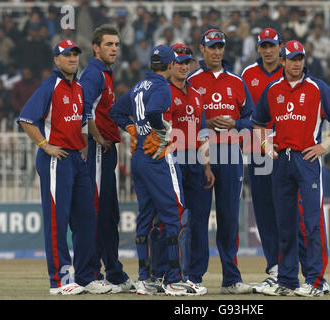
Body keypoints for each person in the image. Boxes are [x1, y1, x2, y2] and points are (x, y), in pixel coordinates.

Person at [252, 40, 330, 297]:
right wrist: (265, 145)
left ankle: (316, 281)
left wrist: (326, 145)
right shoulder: (272, 89)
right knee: (284, 223)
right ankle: (287, 280)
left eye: (300, 58)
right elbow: (258, 122)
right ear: (283, 61)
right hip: (281, 161)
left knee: (312, 222)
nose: (297, 63)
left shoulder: (318, 87)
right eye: (292, 59)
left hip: (307, 159)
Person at [109, 44, 207, 296]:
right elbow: (154, 112)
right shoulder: (162, 86)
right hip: (161, 156)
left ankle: (145, 278)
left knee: (146, 217)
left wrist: (132, 129)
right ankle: (174, 279)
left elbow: (115, 111)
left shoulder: (139, 86)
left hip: (141, 157)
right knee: (175, 214)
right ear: (170, 65)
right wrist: (162, 133)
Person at [17, 40, 112, 295]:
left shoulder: (79, 88)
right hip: (55, 159)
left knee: (86, 218)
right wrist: (45, 146)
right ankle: (59, 280)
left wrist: (83, 143)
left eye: (74, 55)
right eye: (66, 55)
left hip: (76, 159)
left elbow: (82, 119)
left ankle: (85, 275)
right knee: (57, 221)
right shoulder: (50, 86)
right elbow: (26, 119)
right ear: (56, 61)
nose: (72, 59)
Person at [187, 28, 254, 294]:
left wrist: (236, 123)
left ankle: (231, 279)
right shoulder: (190, 80)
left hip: (230, 154)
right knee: (198, 218)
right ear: (201, 49)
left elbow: (252, 119)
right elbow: (184, 117)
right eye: (211, 47)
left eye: (220, 47)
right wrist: (207, 122)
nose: (216, 52)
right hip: (200, 153)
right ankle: (195, 276)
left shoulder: (237, 81)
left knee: (228, 217)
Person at [78, 24, 135, 293]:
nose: (114, 48)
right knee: (97, 212)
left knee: (109, 214)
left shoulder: (105, 74)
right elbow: (83, 108)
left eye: (117, 44)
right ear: (96, 47)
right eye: (109, 44)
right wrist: (98, 138)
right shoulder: (93, 74)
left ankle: (113, 272)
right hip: (98, 151)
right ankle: (89, 275)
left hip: (106, 151)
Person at [240, 27, 283, 293]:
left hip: (287, 149)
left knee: (288, 210)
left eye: (272, 45)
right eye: (264, 46)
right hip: (258, 151)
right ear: (258, 48)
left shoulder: (290, 68)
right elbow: (245, 114)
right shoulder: (247, 74)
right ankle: (275, 268)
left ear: (280, 46)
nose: (268, 50)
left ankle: (293, 267)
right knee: (265, 210)